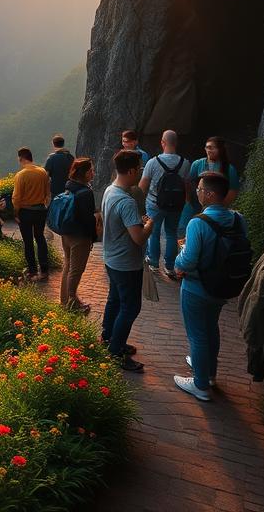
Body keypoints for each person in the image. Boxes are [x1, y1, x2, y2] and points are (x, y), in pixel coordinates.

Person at [172, 171, 245, 401]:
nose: (197, 192)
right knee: (211, 329)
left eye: (200, 189)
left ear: (210, 194)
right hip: (224, 284)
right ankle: (210, 374)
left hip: (197, 286)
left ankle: (201, 385)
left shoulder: (198, 222)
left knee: (197, 335)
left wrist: (177, 261)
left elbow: (190, 259)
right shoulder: (237, 219)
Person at [101, 150, 154, 371]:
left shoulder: (109, 190)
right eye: (140, 169)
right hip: (126, 264)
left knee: (115, 300)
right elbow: (139, 237)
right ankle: (116, 351)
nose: (141, 172)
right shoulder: (127, 201)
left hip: (111, 259)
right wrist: (149, 223)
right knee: (130, 307)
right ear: (132, 170)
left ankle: (108, 339)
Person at [139, 129, 191, 277]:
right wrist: (187, 202)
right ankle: (169, 266)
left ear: (162, 142)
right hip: (176, 204)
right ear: (176, 143)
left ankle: (154, 263)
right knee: (171, 233)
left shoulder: (153, 162)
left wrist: (138, 203)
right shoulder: (185, 163)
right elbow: (187, 185)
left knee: (153, 233)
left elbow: (143, 186)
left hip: (155, 203)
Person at [59, 158, 98, 313]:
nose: (93, 173)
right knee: (76, 271)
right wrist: (93, 237)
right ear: (86, 172)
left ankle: (65, 300)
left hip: (66, 233)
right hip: (80, 237)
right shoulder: (86, 192)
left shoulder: (69, 185)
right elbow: (88, 219)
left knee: (67, 266)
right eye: (91, 170)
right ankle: (72, 303)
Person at [180, 136, 240, 232]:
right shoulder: (197, 164)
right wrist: (188, 200)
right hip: (195, 204)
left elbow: (233, 191)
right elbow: (188, 183)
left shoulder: (229, 169)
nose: (209, 150)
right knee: (185, 232)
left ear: (220, 149)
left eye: (212, 148)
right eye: (207, 147)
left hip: (216, 208)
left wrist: (220, 205)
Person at [12, 147, 51, 281]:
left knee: (28, 241)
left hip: (25, 211)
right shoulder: (42, 172)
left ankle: (33, 270)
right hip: (40, 210)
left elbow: (16, 198)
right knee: (40, 237)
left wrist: (15, 213)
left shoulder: (21, 175)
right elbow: (47, 193)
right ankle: (45, 269)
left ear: (21, 158)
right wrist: (44, 205)